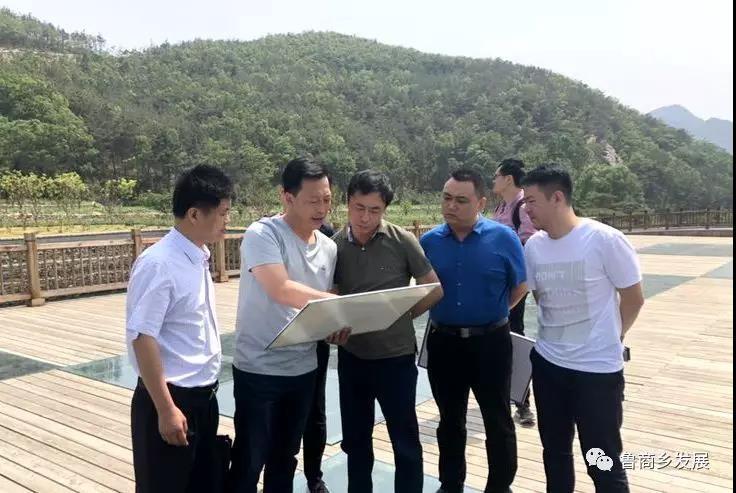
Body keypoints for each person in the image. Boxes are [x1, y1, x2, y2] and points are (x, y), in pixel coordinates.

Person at [229, 157, 349, 493]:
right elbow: (280, 289)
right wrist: (341, 307)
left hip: (303, 369)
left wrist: (335, 324)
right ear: (287, 197)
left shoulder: (328, 247)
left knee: (285, 458)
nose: (322, 208)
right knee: (249, 457)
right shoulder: (263, 234)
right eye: (313, 200)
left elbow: (321, 305)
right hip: (259, 368)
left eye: (327, 199)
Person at [521, 165, 644, 493]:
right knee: (555, 453)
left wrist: (613, 337)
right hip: (548, 366)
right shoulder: (534, 247)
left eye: (531, 201)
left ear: (557, 197)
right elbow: (541, 297)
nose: (526, 209)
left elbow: (633, 298)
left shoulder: (604, 240)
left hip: (596, 372)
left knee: (601, 459)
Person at [332, 170, 444, 493]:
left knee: (404, 440)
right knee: (356, 441)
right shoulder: (334, 245)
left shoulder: (402, 241)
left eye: (375, 210)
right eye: (359, 207)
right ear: (347, 203)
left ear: (385, 209)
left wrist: (401, 315)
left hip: (396, 358)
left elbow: (434, 289)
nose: (365, 217)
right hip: (352, 357)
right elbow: (330, 296)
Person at [126, 164, 233, 492]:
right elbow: (142, 337)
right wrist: (166, 409)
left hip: (203, 398)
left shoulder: (197, 256)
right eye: (223, 213)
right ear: (194, 214)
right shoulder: (159, 263)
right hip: (171, 401)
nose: (228, 221)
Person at [420, 168, 528, 493]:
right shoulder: (429, 242)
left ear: (481, 202)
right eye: (446, 198)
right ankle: (451, 484)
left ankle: (500, 486)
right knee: (450, 420)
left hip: (491, 343)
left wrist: (494, 312)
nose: (451, 206)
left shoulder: (503, 238)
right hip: (444, 342)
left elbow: (521, 285)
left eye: (461, 200)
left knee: (497, 419)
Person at [491, 158, 538, 427]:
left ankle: (523, 403)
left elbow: (529, 248)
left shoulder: (522, 207)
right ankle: (503, 394)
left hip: (515, 286)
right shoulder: (501, 207)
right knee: (499, 336)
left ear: (508, 178)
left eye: (496, 175)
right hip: (497, 285)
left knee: (515, 337)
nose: (494, 180)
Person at [302, 220, 336, 493]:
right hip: (278, 343)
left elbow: (335, 288)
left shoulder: (328, 238)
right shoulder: (271, 236)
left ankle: (314, 478)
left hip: (316, 340)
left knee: (315, 411)